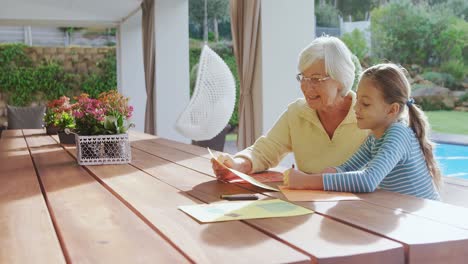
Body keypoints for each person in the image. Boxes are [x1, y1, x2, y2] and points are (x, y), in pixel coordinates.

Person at [211, 36, 368, 181]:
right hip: (310, 203)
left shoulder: (368, 115)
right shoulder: (297, 113)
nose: (306, 87)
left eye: (315, 79)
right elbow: (265, 151)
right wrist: (237, 165)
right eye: (303, 78)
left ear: (341, 79)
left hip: (365, 206)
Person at [286, 63, 441, 200]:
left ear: (392, 109)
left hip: (427, 222)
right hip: (404, 216)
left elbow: (368, 180)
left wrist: (306, 181)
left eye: (365, 104)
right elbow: (347, 167)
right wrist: (331, 171)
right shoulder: (374, 138)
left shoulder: (398, 134)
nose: (356, 108)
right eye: (358, 100)